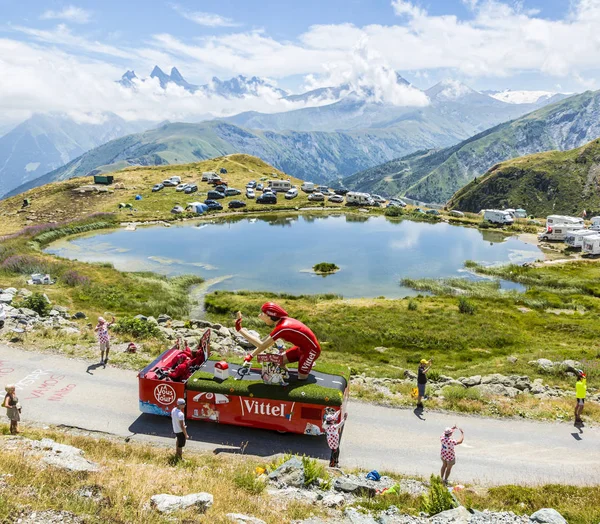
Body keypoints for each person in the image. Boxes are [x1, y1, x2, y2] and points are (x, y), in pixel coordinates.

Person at [235, 302, 321, 380]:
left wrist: (240, 331)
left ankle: (305, 365)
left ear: (269, 316)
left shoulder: (282, 328)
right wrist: (251, 354)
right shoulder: (281, 324)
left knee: (302, 377)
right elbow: (262, 342)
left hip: (311, 351)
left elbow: (262, 345)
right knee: (277, 362)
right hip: (302, 348)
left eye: (262, 314)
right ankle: (286, 376)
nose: (259, 316)